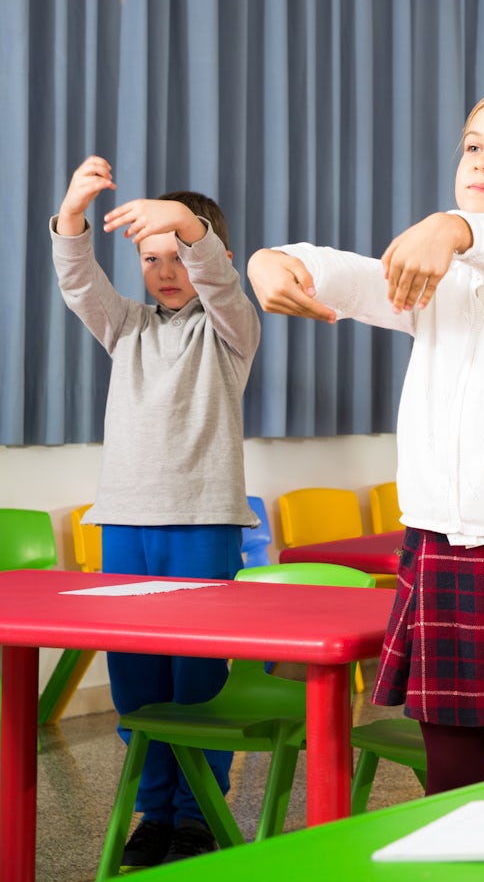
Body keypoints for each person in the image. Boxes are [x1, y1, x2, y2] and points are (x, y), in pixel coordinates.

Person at [249, 80, 484, 796]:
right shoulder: (440, 279)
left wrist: (454, 226)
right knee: (447, 761)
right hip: (437, 536)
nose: (483, 162)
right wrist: (271, 260)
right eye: (473, 147)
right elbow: (346, 277)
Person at [51, 158, 260, 868]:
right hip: (127, 526)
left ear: (210, 256)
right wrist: (74, 217)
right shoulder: (129, 329)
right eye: (151, 258)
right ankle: (154, 809)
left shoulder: (232, 331)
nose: (166, 271)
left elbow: (221, 286)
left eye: (180, 254)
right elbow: (80, 284)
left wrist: (186, 226)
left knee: (194, 679)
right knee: (138, 678)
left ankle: (199, 810)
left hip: (201, 522)